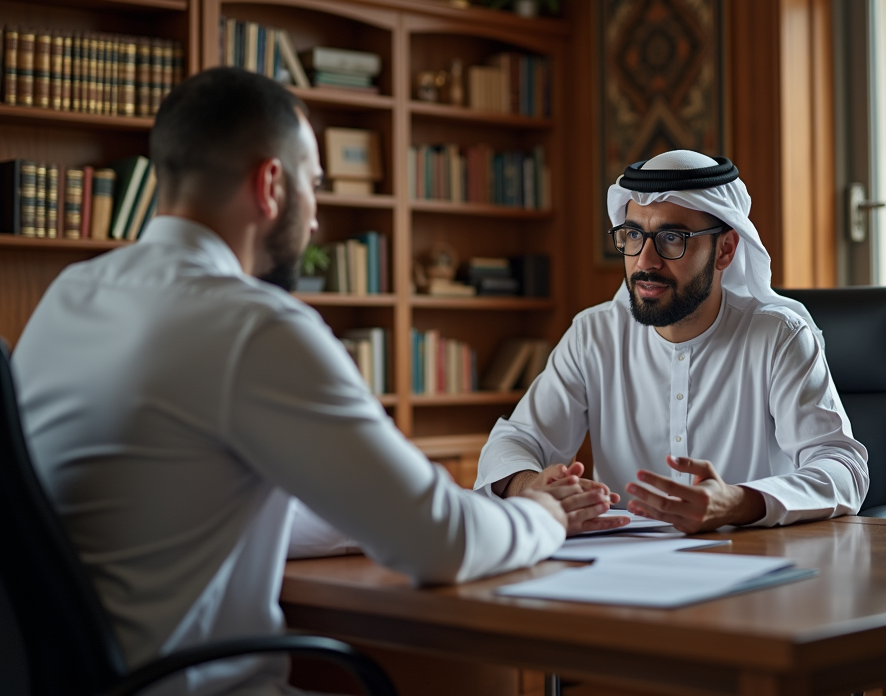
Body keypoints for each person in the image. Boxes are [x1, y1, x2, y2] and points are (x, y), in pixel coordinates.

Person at [11, 68, 610, 696]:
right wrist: (541, 513)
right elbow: (442, 547)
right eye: (315, 186)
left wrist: (377, 513)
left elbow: (173, 500)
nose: (318, 218)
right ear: (272, 184)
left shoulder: (70, 294)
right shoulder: (254, 326)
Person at [474, 150, 869, 535]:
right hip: (622, 573)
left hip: (753, 567)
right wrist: (532, 487)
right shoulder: (594, 335)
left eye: (671, 238)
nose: (645, 260)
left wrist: (737, 502)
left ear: (725, 250)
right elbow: (517, 439)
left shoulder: (778, 336)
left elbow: (843, 468)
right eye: (633, 235)